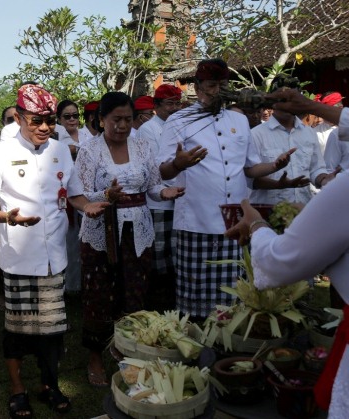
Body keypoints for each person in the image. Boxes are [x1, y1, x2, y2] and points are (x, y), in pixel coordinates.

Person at [0, 84, 108, 419]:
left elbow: (75, 194)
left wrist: (88, 207)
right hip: (19, 254)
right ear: (20, 117)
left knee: (52, 329)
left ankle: (50, 385)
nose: (44, 127)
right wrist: (5, 217)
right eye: (36, 120)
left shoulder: (60, 150)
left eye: (50, 120)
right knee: (18, 328)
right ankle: (17, 388)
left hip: (54, 255)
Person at [223, 85, 349, 418]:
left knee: (295, 292)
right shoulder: (258, 134)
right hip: (270, 210)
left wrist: (328, 180)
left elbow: (318, 171)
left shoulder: (308, 135)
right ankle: (261, 349)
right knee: (261, 288)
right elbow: (252, 176)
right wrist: (280, 181)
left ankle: (290, 347)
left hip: (304, 214)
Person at [157, 58, 295, 319]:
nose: (217, 91)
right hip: (196, 221)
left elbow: (250, 168)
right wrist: (178, 163)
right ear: (197, 88)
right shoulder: (179, 120)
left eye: (222, 85)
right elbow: (162, 171)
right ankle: (196, 349)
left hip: (236, 222)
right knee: (194, 302)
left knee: (235, 297)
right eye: (211, 85)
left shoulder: (239, 120)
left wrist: (274, 166)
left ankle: (229, 348)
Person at [76, 91, 185, 388]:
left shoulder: (142, 145)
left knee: (134, 290)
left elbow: (152, 186)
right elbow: (81, 194)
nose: (123, 126)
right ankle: (95, 356)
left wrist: (166, 192)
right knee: (99, 292)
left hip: (137, 229)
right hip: (102, 228)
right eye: (116, 120)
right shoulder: (89, 150)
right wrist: (106, 196)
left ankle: (127, 347)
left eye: (128, 119)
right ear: (101, 120)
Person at [137, 84, 184, 312]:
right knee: (159, 256)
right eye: (169, 104)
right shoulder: (149, 129)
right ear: (156, 106)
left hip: (181, 199)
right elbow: (155, 166)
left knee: (175, 254)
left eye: (177, 103)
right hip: (158, 201)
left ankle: (173, 303)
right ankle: (158, 304)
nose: (174, 108)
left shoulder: (180, 125)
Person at [249, 85, 336, 205]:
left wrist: (324, 179)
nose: (289, 105)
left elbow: (316, 168)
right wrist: (277, 184)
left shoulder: (309, 132)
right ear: (273, 101)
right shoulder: (256, 135)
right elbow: (250, 179)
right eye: (284, 100)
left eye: (293, 100)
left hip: (303, 211)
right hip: (268, 212)